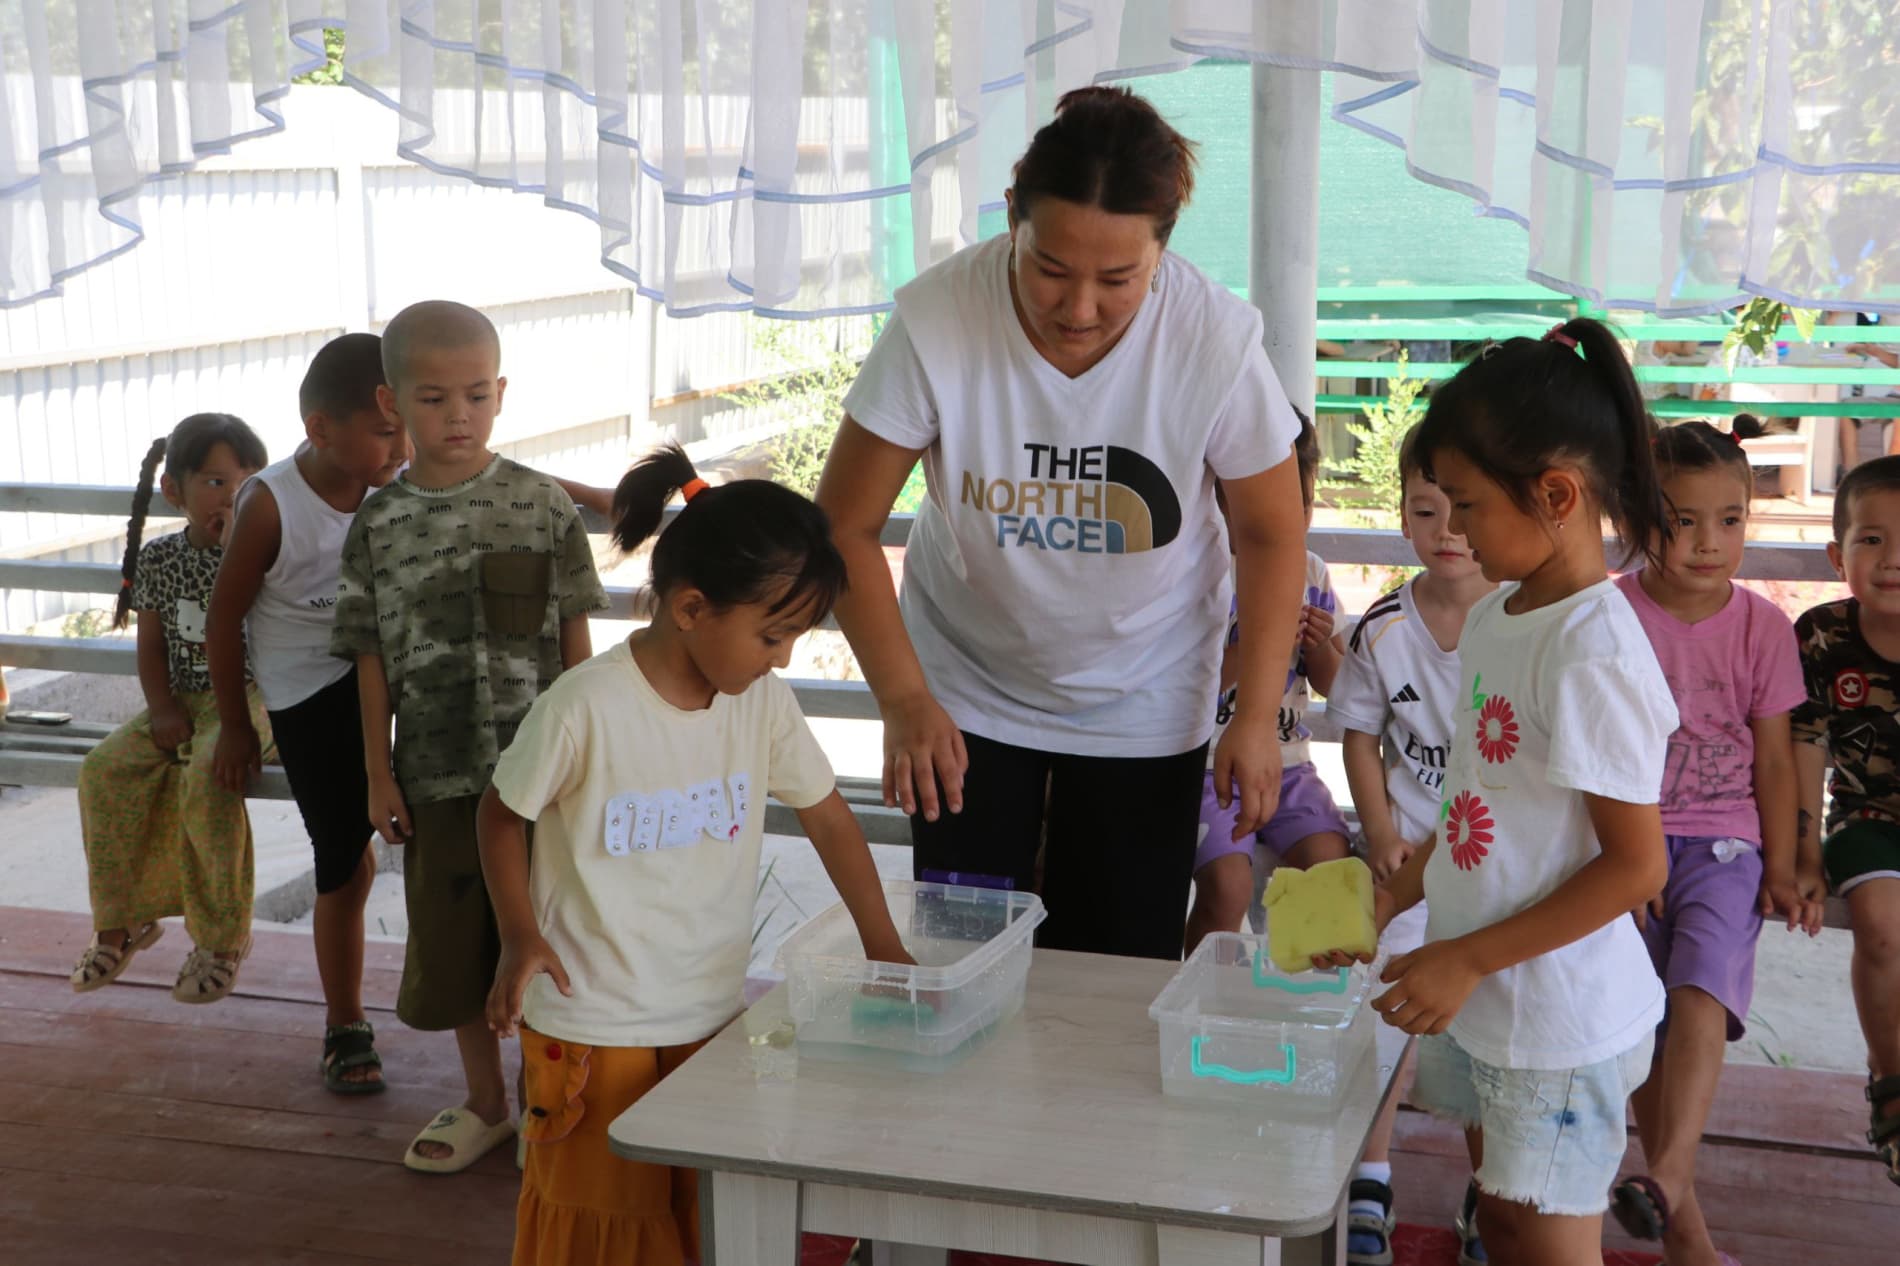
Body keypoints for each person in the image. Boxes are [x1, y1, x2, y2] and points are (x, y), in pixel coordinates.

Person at [817, 85, 1308, 960]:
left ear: (1163, 247)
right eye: (1048, 267)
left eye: (1119, 279)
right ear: (1012, 216)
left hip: (1147, 692)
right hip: (966, 683)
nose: (1078, 308)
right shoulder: (940, 319)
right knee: (964, 951)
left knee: (1117, 963)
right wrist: (904, 697)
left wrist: (1257, 714)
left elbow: (1271, 532)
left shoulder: (1214, 341)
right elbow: (844, 525)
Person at [479, 444, 913, 1266]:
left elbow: (829, 820)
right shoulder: (587, 706)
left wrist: (883, 946)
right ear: (689, 608)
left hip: (710, 1015)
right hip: (593, 1023)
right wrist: (519, 933)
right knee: (603, 1225)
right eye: (772, 635)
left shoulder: (762, 705)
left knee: (701, 1215)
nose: (782, 657)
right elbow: (501, 814)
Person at [1319, 319, 1680, 1266]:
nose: (1458, 528)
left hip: (1558, 1017)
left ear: (1556, 495)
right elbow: (1477, 803)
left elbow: (1637, 863)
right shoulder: (1502, 615)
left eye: (1470, 505)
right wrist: (1398, 888)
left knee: (1550, 1240)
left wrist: (1469, 957)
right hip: (1491, 996)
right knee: (1505, 1217)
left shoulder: (1592, 652)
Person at [330, 299, 607, 1174]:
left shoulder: (541, 506)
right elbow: (368, 657)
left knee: (549, 932)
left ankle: (545, 1098)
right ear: (392, 402)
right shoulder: (378, 524)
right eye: (435, 397)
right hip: (438, 773)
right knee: (454, 941)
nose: (459, 416)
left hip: (543, 779)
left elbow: (575, 641)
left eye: (477, 396)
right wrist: (378, 773)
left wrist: (589, 759)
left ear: (502, 394)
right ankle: (489, 1099)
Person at [1604, 421, 1820, 1262]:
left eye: (1729, 520)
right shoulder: (1611, 613)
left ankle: (1670, 1175)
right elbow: (1592, 747)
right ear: (1639, 516)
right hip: (1626, 845)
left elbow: (1776, 760)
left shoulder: (1763, 628)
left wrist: (1793, 862)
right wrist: (1622, 859)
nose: (1707, 541)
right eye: (1682, 519)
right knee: (1645, 1022)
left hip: (1727, 847)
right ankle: (1682, 1224)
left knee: (1700, 992)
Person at [205, 332, 409, 1093]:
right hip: (310, 691)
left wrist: (593, 500)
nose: (405, 444)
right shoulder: (270, 504)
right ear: (322, 429)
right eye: (388, 430)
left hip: (388, 672)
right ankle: (345, 1020)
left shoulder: (395, 478)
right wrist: (234, 723)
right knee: (345, 864)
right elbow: (224, 620)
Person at [1327, 422, 1496, 1266]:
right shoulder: (1383, 629)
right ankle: (1370, 1179)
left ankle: (1493, 1195)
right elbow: (1360, 734)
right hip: (1405, 866)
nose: (1449, 532)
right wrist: (1382, 831)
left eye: (1465, 509)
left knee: (1488, 1036)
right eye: (1428, 511)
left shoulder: (1521, 623)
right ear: (1402, 517)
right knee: (1381, 1021)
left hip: (1498, 870)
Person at [70, 414, 271, 1004]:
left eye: (248, 483)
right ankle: (123, 919)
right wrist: (160, 709)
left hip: (255, 703)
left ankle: (222, 938)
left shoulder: (268, 554)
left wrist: (246, 546)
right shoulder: (161, 560)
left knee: (212, 777)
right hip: (184, 699)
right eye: (215, 483)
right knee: (103, 773)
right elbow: (152, 648)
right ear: (175, 492)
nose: (233, 497)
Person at [1184, 413, 1348, 953]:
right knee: (1227, 888)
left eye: (1300, 503)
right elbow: (1186, 684)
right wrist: (1253, 647)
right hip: (1208, 769)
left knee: (1331, 868)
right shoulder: (1198, 571)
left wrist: (1318, 645)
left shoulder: (1312, 571)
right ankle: (1204, 991)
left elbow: (1332, 686)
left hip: (1290, 766)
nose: (1286, 516)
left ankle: (1303, 999)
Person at [1789, 454, 1900, 1188]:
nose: (1892, 561)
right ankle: (1893, 1092)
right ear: (1839, 555)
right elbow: (1803, 745)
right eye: (1871, 539)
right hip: (1866, 817)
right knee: (1884, 927)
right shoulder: (1823, 636)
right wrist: (1801, 853)